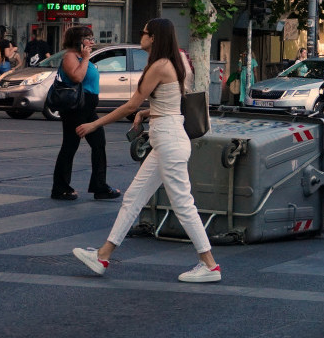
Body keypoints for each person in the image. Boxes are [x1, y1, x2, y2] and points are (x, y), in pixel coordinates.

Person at [71, 18, 222, 283]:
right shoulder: (176, 62)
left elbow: (130, 105)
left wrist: (95, 123)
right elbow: (170, 103)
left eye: (143, 32)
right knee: (133, 198)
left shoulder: (159, 66)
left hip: (168, 140)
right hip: (167, 137)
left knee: (183, 204)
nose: (140, 36)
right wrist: (147, 112)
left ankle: (209, 264)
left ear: (153, 38)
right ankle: (103, 256)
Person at [50, 26, 121, 202]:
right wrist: (86, 58)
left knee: (99, 144)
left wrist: (86, 58)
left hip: (88, 108)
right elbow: (77, 78)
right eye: (87, 38)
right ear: (78, 40)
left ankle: (100, 186)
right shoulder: (70, 56)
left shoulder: (82, 58)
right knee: (70, 145)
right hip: (75, 108)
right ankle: (60, 188)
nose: (91, 40)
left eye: (91, 37)